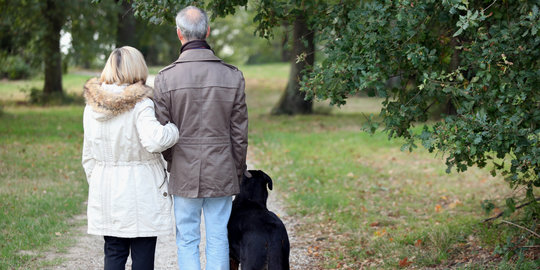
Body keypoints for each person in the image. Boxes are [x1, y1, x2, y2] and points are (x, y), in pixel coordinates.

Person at [152, 6, 248, 270]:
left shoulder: (165, 78)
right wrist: (236, 170)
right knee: (218, 237)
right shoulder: (232, 76)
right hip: (220, 168)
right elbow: (239, 133)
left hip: (184, 169)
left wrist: (175, 161)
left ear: (179, 34)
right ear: (207, 31)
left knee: (187, 239)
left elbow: (163, 133)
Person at [82, 46, 180, 270]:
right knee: (143, 255)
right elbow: (155, 140)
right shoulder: (141, 103)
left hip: (106, 188)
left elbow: (88, 156)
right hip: (142, 190)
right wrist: (174, 129)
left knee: (114, 253)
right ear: (139, 68)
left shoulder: (92, 107)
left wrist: (99, 181)